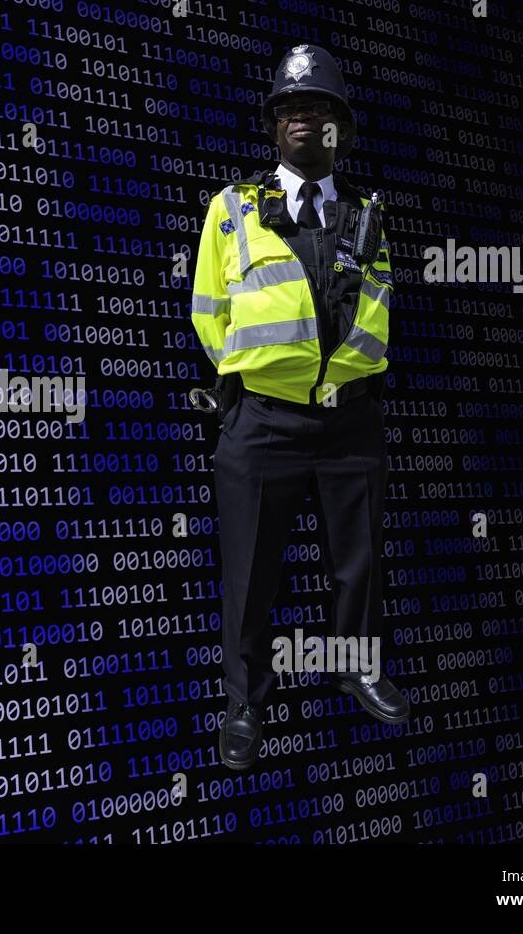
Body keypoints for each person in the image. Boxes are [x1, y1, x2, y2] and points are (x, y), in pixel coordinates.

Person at [190, 43, 410, 771]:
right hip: (263, 421)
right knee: (251, 571)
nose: (305, 122)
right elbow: (209, 311)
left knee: (358, 563)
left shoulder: (370, 216)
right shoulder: (230, 209)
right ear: (273, 125)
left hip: (351, 420)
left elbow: (377, 313)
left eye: (320, 110)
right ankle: (245, 701)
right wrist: (244, 386)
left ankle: (355, 667)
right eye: (291, 110)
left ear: (342, 128)